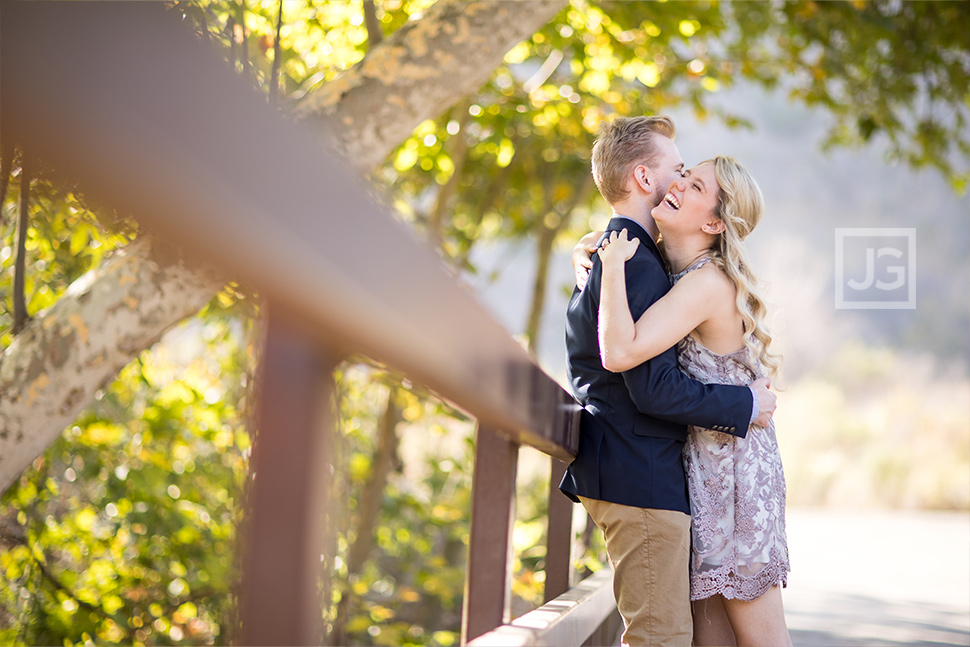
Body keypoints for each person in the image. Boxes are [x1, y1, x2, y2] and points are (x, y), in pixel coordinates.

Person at [559, 115, 776, 647]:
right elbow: (630, 361)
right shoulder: (638, 260)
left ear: (716, 222)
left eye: (692, 180)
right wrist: (601, 260)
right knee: (682, 636)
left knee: (725, 635)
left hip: (722, 469)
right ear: (642, 178)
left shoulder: (659, 268)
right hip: (663, 470)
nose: (678, 182)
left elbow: (627, 357)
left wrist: (745, 405)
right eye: (679, 172)